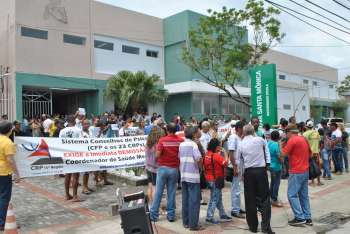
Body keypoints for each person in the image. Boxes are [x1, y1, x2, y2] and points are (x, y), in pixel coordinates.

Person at [236, 124, 274, 234]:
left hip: (249, 173)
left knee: (250, 200)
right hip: (261, 171)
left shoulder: (241, 144)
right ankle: (266, 228)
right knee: (265, 199)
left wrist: (242, 174)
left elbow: (239, 161)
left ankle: (253, 227)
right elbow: (267, 152)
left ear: (244, 133)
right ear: (253, 132)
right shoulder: (260, 140)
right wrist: (267, 164)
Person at [150, 123, 184, 222]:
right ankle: (171, 215)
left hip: (162, 169)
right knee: (172, 193)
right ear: (176, 130)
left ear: (167, 130)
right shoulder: (180, 141)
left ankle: (154, 215)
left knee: (158, 192)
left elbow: (157, 155)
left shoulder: (162, 140)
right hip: (174, 169)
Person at [282, 124, 312, 226]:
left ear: (289, 132)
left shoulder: (292, 140)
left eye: (285, 133)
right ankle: (307, 217)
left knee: (291, 195)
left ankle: (299, 217)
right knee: (304, 196)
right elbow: (310, 153)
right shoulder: (303, 138)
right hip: (305, 170)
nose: (285, 135)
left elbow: (282, 155)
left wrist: (281, 143)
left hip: (296, 171)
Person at [179, 126, 204, 231]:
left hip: (183, 175)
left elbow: (179, 157)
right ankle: (193, 225)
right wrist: (201, 167)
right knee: (194, 201)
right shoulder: (193, 145)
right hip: (193, 176)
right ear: (194, 134)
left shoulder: (181, 144)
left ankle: (186, 222)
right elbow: (198, 158)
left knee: (185, 200)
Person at [203, 138, 232, 224]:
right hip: (216, 180)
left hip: (209, 179)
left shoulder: (206, 154)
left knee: (218, 197)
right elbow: (226, 163)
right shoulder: (216, 156)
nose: (220, 147)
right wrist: (225, 153)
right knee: (214, 198)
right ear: (216, 147)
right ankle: (209, 216)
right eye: (219, 145)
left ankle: (222, 214)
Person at [0, 121, 20, 231]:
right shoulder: (8, 142)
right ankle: (2, 222)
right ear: (9, 130)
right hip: (4, 172)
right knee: (4, 197)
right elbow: (10, 160)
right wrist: (17, 174)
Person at [59, 115, 84, 202]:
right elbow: (81, 142)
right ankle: (75, 195)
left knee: (67, 175)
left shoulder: (62, 131)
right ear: (74, 121)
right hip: (75, 154)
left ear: (67, 121)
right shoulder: (78, 130)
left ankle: (66, 195)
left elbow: (59, 143)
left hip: (65, 154)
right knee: (75, 175)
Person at [227, 121, 245, 218]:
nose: (244, 130)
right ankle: (235, 210)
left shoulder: (240, 138)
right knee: (235, 189)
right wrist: (234, 167)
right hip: (235, 166)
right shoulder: (233, 137)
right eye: (243, 128)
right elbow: (231, 152)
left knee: (239, 188)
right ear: (238, 128)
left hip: (240, 166)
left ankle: (237, 207)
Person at [145, 126, 163, 205]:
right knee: (156, 188)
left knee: (150, 186)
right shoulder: (157, 144)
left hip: (148, 167)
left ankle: (151, 204)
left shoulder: (148, 142)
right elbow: (157, 156)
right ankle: (156, 207)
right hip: (155, 168)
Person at [303, 120, 323, 186]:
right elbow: (320, 142)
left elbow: (303, 144)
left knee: (311, 167)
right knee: (317, 167)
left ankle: (312, 182)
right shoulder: (316, 133)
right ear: (312, 126)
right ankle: (319, 182)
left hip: (309, 153)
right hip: (316, 152)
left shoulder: (305, 134)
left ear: (306, 126)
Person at [268, 130, 283, 207]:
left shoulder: (269, 143)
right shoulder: (276, 145)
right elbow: (279, 156)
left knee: (273, 183)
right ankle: (274, 199)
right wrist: (282, 161)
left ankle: (271, 198)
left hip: (270, 166)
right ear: (278, 137)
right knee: (276, 183)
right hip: (277, 167)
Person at [81, 120, 95, 195]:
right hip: (84, 153)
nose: (87, 125)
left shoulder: (90, 132)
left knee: (88, 172)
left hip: (90, 153)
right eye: (85, 124)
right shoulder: (80, 133)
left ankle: (86, 186)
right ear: (82, 124)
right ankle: (84, 188)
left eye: (88, 124)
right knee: (85, 172)